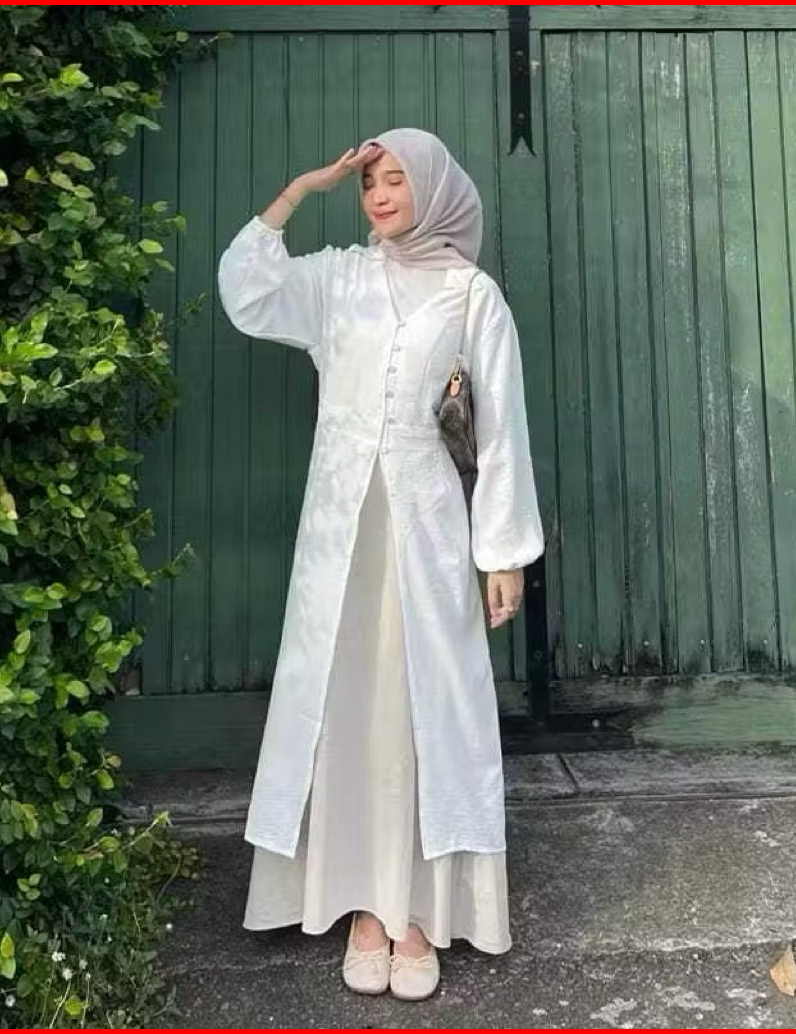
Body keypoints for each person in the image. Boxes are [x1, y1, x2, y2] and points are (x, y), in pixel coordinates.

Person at [217, 128, 543, 1001]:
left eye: (397, 179)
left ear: (433, 188)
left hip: (427, 534)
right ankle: (361, 904)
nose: (382, 195)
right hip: (340, 535)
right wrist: (298, 190)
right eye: (370, 183)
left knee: (420, 709)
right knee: (348, 704)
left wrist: (502, 552)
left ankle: (417, 911)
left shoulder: (472, 295)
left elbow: (500, 427)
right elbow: (248, 293)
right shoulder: (340, 279)